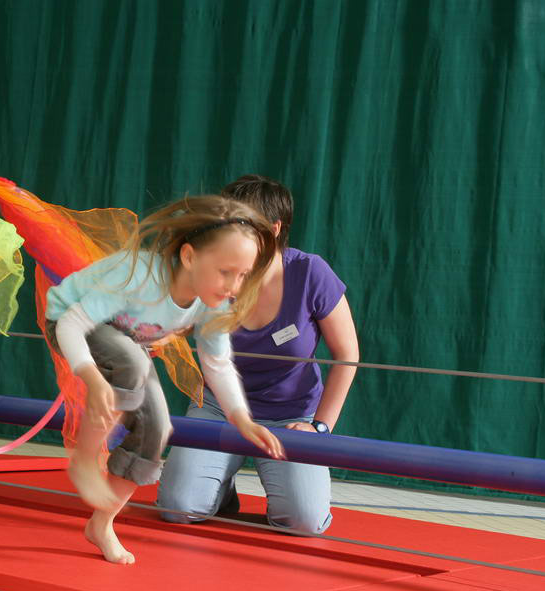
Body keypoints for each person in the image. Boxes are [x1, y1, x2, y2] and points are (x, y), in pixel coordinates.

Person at [44, 195, 286, 564]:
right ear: (189, 257)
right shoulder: (142, 276)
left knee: (157, 428)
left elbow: (218, 364)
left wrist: (242, 419)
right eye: (225, 271)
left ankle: (102, 524)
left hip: (127, 343)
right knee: (130, 362)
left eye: (242, 275)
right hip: (71, 321)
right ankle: (86, 459)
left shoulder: (212, 303)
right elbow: (71, 324)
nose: (234, 286)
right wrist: (93, 379)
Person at [158, 174, 359, 534]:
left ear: (275, 229)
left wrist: (319, 427)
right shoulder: (214, 270)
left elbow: (347, 355)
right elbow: (173, 321)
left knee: (304, 523)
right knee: (178, 507)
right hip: (219, 408)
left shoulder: (310, 272)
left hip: (290, 414)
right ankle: (220, 487)